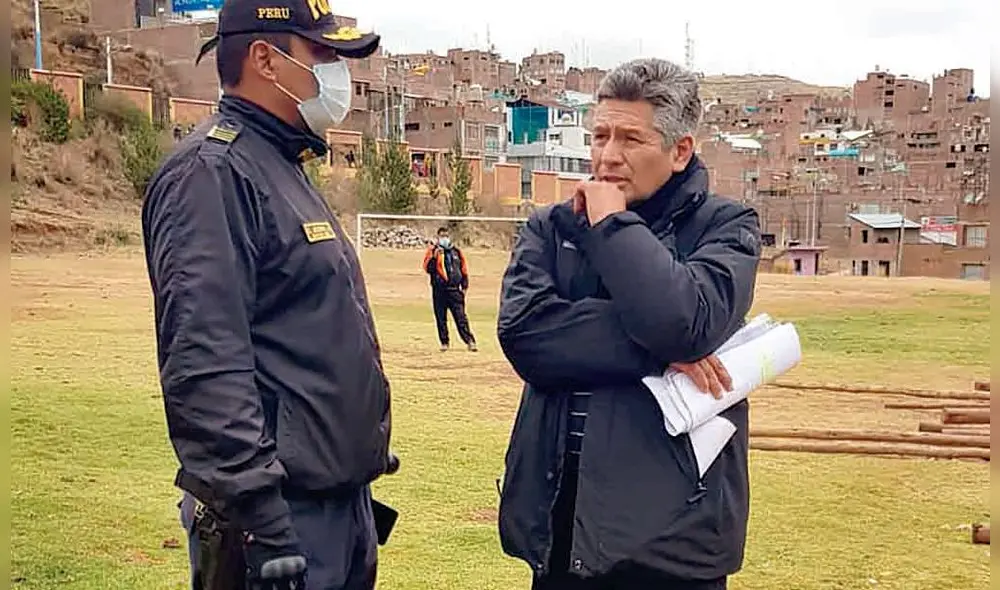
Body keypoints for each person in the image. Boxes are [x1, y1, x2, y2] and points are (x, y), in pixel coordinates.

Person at [141, 1, 396, 588]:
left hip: (335, 509)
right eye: (323, 53)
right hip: (280, 520)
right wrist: (261, 517)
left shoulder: (278, 164)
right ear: (265, 59)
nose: (338, 73)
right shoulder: (213, 174)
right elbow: (205, 362)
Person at [496, 58, 762, 590]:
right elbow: (526, 336)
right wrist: (660, 352)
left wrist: (613, 224)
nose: (607, 155)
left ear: (680, 150)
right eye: (600, 135)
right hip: (561, 525)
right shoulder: (552, 227)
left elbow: (684, 323)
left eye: (630, 139)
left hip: (672, 541)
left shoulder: (726, 226)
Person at [423, 226, 477, 352]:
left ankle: (470, 341)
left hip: (454, 290)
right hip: (439, 290)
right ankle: (444, 342)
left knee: (461, 317)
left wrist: (464, 286)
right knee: (441, 318)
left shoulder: (456, 252)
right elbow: (427, 269)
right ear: (438, 237)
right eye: (441, 236)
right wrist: (435, 258)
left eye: (446, 236)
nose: (444, 238)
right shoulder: (433, 251)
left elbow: (463, 269)